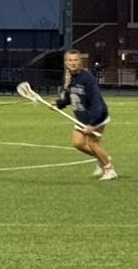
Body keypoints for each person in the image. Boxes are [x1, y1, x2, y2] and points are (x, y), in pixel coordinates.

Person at [55, 49, 116, 181]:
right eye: (70, 60)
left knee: (93, 144)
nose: (73, 63)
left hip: (97, 116)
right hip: (82, 117)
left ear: (80, 62)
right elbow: (71, 97)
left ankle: (109, 169)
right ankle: (102, 157)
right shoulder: (69, 78)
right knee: (78, 144)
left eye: (75, 60)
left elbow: (97, 103)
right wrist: (58, 104)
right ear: (65, 63)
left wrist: (93, 124)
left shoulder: (87, 79)